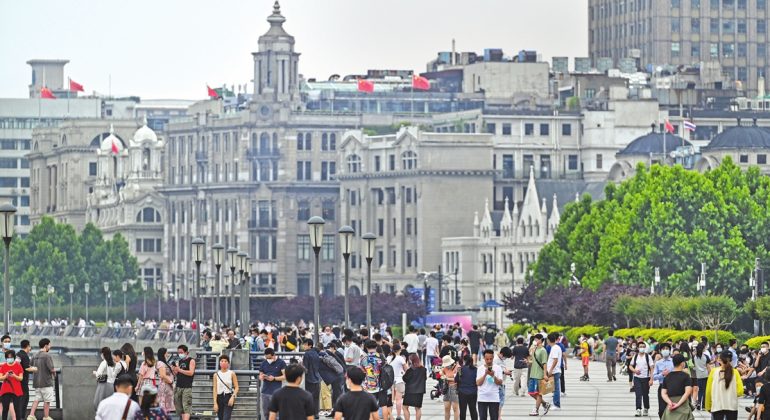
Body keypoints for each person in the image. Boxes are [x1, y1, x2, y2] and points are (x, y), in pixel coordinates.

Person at [705, 350, 743, 420]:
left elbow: (708, 391)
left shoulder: (713, 371)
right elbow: (740, 391)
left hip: (717, 405)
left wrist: (708, 406)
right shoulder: (735, 372)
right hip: (731, 405)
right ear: (731, 360)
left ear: (719, 360)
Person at [360, 339, 392, 420]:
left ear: (366, 347)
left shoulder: (364, 358)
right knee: (384, 405)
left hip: (370, 386)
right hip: (382, 384)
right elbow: (386, 368)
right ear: (376, 347)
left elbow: (363, 371)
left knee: (370, 407)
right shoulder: (381, 356)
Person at [660, 354, 694, 420]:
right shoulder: (686, 376)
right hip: (683, 405)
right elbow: (687, 392)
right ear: (682, 364)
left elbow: (663, 393)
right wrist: (678, 404)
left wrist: (670, 403)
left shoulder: (667, 376)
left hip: (670, 405)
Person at [29, 338, 56, 420]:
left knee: (36, 399)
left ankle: (31, 415)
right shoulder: (47, 356)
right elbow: (51, 369)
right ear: (45, 345)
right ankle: (46, 417)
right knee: (47, 401)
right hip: (46, 382)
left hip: (37, 382)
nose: (50, 347)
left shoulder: (34, 355)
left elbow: (30, 366)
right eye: (49, 345)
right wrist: (54, 374)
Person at [259, 348, 286, 420]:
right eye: (266, 358)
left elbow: (285, 376)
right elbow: (260, 374)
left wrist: (274, 378)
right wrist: (262, 377)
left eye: (269, 358)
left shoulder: (281, 362)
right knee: (266, 413)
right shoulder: (264, 363)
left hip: (276, 392)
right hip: (265, 391)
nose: (268, 359)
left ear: (274, 355)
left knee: (276, 414)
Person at [476, 349, 503, 420]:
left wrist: (493, 376)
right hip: (482, 398)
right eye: (487, 359)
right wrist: (485, 374)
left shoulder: (498, 368)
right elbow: (478, 383)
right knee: (482, 418)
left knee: (494, 418)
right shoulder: (480, 369)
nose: (489, 361)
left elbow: (500, 382)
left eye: (491, 359)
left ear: (493, 357)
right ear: (484, 358)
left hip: (494, 397)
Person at [629, 341, 654, 417]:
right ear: (638, 347)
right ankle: (638, 409)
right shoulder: (635, 356)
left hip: (646, 378)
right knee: (638, 394)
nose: (642, 348)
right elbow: (630, 366)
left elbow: (652, 368)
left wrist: (651, 379)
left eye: (643, 346)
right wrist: (635, 371)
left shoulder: (648, 357)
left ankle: (646, 408)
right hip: (637, 378)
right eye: (640, 347)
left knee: (645, 394)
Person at [172, 344, 196, 420]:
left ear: (186, 352)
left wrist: (180, 370)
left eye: (181, 352)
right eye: (178, 352)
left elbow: (191, 372)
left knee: (186, 406)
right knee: (179, 407)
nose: (180, 354)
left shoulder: (191, 360)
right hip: (178, 386)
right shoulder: (179, 361)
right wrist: (175, 370)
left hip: (187, 387)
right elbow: (177, 374)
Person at [528, 334, 550, 417]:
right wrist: (528, 362)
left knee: (538, 393)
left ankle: (536, 409)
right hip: (533, 374)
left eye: (537, 339)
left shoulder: (543, 350)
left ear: (541, 340)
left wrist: (545, 374)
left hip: (539, 375)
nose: (535, 340)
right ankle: (545, 404)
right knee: (531, 392)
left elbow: (544, 363)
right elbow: (533, 361)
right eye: (534, 339)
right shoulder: (535, 348)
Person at [212, 354, 239, 420]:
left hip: (228, 396)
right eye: (222, 361)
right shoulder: (216, 375)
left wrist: (233, 397)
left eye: (225, 361)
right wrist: (215, 403)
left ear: (228, 363)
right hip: (219, 397)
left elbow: (237, 387)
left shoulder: (232, 373)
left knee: (226, 418)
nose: (223, 362)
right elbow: (215, 389)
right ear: (219, 363)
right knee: (220, 417)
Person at [0, 349, 23, 420]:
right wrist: (6, 375)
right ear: (6, 358)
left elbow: (21, 378)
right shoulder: (3, 366)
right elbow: (1, 378)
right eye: (8, 357)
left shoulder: (18, 366)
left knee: (17, 409)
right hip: (5, 390)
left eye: (11, 357)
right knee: (5, 409)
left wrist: (14, 376)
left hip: (16, 390)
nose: (10, 358)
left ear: (14, 357)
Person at [402, 353, 427, 420]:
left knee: (405, 407)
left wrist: (405, 371)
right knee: (418, 408)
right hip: (419, 391)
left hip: (410, 391)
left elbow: (405, 379)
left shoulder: (410, 370)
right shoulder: (423, 369)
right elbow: (425, 378)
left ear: (411, 361)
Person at [302, 339, 322, 418]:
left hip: (309, 379)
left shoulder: (307, 354)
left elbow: (306, 369)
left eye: (305, 344)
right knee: (316, 398)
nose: (304, 346)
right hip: (317, 378)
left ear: (310, 345)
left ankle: (310, 414)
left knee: (309, 397)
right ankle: (316, 414)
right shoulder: (316, 353)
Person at [654, 343, 675, 418]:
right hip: (662, 387)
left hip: (673, 387)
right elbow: (654, 377)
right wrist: (662, 374)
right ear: (660, 351)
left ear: (670, 350)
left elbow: (678, 373)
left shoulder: (674, 362)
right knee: (662, 409)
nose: (665, 350)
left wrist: (670, 374)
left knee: (672, 407)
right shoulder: (658, 363)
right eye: (663, 349)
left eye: (667, 349)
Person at [388, 344, 407, 420]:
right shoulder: (400, 358)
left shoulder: (388, 358)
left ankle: (390, 415)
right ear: (399, 350)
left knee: (390, 400)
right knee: (398, 400)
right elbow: (406, 369)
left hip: (390, 381)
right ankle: (398, 416)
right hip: (399, 380)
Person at [456, 354, 477, 420]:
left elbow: (456, 379)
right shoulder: (476, 369)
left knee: (462, 411)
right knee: (473, 410)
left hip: (462, 393)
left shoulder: (460, 369)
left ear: (464, 360)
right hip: (473, 392)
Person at [545, 333, 563, 411]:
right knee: (554, 388)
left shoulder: (555, 348)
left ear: (549, 340)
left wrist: (551, 370)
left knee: (556, 389)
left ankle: (556, 405)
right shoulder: (555, 347)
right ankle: (555, 402)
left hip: (555, 371)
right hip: (555, 371)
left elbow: (555, 360)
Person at [155, 348, 175, 414]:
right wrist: (171, 381)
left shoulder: (164, 363)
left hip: (167, 386)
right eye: (166, 353)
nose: (167, 354)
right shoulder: (161, 363)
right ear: (163, 354)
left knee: (167, 406)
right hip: (165, 386)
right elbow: (163, 375)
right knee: (164, 405)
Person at [17, 340, 34, 420]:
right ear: (27, 346)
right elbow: (26, 368)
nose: (30, 348)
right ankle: (21, 417)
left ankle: (18, 416)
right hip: (23, 381)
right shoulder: (25, 356)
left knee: (19, 399)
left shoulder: (18, 354)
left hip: (17, 381)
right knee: (25, 399)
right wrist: (34, 369)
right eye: (30, 346)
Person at [692, 343, 711, 411]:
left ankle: (699, 403)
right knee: (705, 390)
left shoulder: (694, 357)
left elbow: (694, 366)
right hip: (705, 375)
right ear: (703, 349)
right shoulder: (706, 356)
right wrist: (710, 374)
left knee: (700, 390)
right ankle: (703, 406)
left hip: (698, 376)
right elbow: (708, 367)